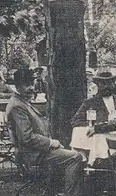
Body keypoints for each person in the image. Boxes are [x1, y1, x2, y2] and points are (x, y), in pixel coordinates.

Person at [6, 68, 84, 196]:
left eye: (32, 83)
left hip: (39, 150)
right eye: (27, 85)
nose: (31, 87)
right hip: (33, 153)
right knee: (75, 157)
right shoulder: (17, 106)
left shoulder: (22, 101)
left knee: (73, 152)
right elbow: (26, 138)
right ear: (18, 86)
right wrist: (50, 142)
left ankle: (55, 190)